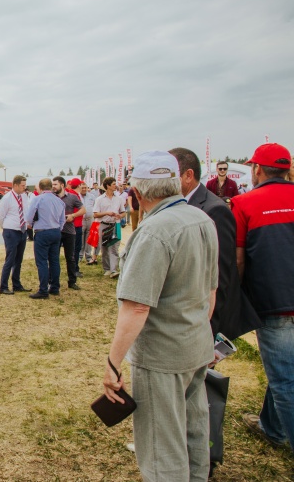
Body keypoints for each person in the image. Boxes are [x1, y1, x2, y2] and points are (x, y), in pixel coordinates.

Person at [103, 150, 218, 482]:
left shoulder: (154, 232)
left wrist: (112, 365)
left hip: (163, 357)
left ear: (137, 194)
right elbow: (211, 293)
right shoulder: (201, 219)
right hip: (195, 346)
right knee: (193, 432)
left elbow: (137, 306)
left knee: (161, 446)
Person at [231, 143, 294, 451]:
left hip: (273, 302)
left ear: (257, 169)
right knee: (283, 370)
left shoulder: (244, 202)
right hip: (281, 300)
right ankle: (272, 427)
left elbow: (239, 260)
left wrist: (234, 302)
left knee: (285, 382)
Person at [169, 147, 261, 340]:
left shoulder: (213, 211)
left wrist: (209, 331)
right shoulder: (179, 205)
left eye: (169, 174)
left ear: (188, 175)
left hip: (205, 320)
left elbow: (220, 274)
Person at [25, 178, 65, 299]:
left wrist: (30, 224)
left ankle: (43, 289)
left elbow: (29, 216)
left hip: (42, 232)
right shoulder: (59, 200)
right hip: (56, 231)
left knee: (42, 261)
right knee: (54, 260)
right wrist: (58, 228)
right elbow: (62, 220)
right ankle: (55, 287)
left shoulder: (38, 199)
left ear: (41, 188)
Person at [0, 175, 31, 295]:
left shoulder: (24, 197)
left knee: (19, 259)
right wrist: (6, 227)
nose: (24, 188)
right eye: (22, 186)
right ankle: (3, 286)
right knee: (10, 259)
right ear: (15, 185)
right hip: (11, 231)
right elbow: (0, 217)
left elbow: (26, 211)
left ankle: (16, 284)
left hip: (22, 231)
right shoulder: (7, 198)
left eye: (25, 186)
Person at [52, 176, 84, 291]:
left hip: (69, 231)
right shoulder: (52, 197)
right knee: (54, 257)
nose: (53, 186)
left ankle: (72, 281)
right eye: (52, 184)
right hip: (56, 231)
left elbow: (83, 210)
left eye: (55, 184)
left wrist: (73, 216)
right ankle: (54, 281)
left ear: (62, 185)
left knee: (70, 257)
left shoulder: (72, 197)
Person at [93, 177, 125, 278]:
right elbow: (95, 214)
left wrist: (120, 216)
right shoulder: (99, 199)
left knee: (115, 247)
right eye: (114, 184)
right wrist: (106, 213)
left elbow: (123, 212)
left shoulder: (119, 199)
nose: (116, 186)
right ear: (108, 186)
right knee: (105, 248)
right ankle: (107, 269)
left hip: (115, 225)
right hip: (104, 225)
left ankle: (114, 270)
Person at [67, 178, 86, 278]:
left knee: (75, 248)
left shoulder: (74, 194)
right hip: (75, 225)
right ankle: (74, 269)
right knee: (75, 248)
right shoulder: (74, 195)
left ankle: (75, 268)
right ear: (79, 185)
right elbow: (80, 210)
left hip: (76, 224)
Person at [83, 182, 100, 264]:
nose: (84, 189)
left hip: (90, 219)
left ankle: (88, 256)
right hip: (81, 220)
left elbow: (95, 206)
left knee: (89, 238)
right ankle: (79, 256)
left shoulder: (92, 196)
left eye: (85, 187)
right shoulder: (77, 196)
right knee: (80, 238)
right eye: (82, 188)